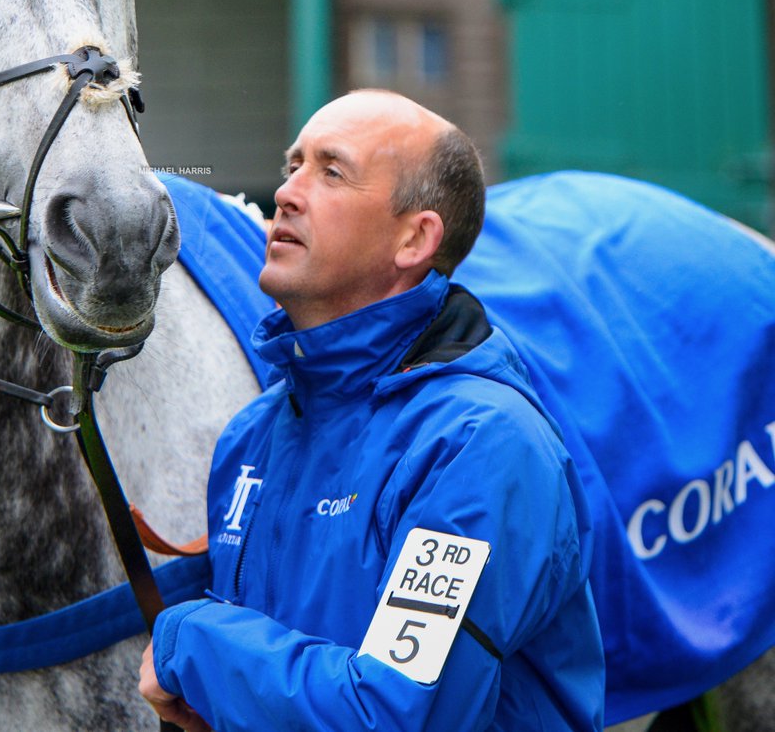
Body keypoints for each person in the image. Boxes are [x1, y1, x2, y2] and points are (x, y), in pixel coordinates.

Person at [137, 89, 605, 732]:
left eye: (332, 172)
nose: (287, 194)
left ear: (415, 239)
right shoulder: (252, 436)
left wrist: (190, 641)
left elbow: (394, 714)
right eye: (292, 165)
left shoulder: (480, 447)